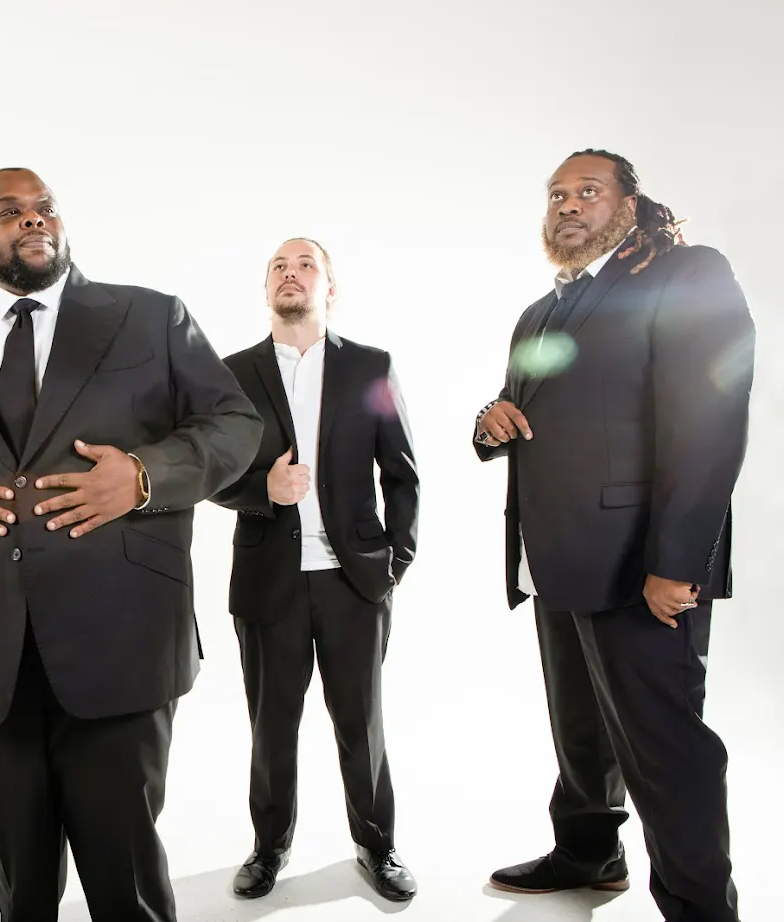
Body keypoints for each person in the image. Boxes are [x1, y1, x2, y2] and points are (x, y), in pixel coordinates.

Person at [0, 168, 263, 922]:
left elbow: (234, 426)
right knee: (21, 885)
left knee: (125, 880)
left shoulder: (149, 317)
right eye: (9, 213)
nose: (32, 221)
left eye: (44, 209)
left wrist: (143, 476)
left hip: (120, 636)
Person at [475, 150, 754, 922]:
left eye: (587, 191)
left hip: (641, 565)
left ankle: (700, 908)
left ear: (628, 205)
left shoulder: (686, 274)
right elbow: (517, 410)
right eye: (557, 194)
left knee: (665, 751)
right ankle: (587, 851)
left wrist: (675, 564)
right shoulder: (539, 312)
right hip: (553, 559)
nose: (568, 204)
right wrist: (486, 424)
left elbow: (708, 422)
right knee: (580, 730)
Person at [210, 238, 419, 902]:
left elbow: (402, 473)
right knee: (270, 726)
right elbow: (208, 474)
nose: (290, 273)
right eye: (278, 266)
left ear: (331, 287)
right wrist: (260, 492)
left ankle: (376, 847)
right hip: (267, 581)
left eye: (305, 265)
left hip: (353, 581)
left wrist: (394, 562)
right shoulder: (231, 373)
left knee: (360, 722)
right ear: (265, 287)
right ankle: (268, 848)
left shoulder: (369, 367)